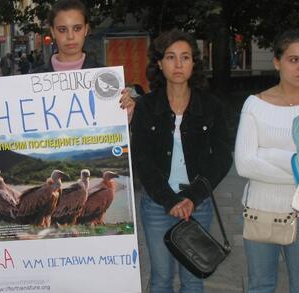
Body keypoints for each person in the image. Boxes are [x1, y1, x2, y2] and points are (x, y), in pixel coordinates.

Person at [130, 29, 232, 293]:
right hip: (157, 206)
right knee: (161, 277)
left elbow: (221, 158)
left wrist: (193, 197)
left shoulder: (211, 106)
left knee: (192, 277)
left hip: (197, 204)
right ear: (160, 63)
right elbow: (142, 159)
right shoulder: (146, 108)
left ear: (193, 63)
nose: (178, 64)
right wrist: (169, 200)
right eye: (171, 57)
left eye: (185, 57)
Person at [234, 29, 299, 293]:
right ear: (277, 62)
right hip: (260, 211)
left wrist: (266, 154)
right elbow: (244, 164)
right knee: (260, 286)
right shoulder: (254, 104)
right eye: (294, 60)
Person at [0, 0, 135, 128]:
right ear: (52, 32)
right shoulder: (34, 79)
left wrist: (127, 110)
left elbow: (118, 131)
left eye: (77, 28)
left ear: (86, 29)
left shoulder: (106, 78)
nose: (70, 36)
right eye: (62, 29)